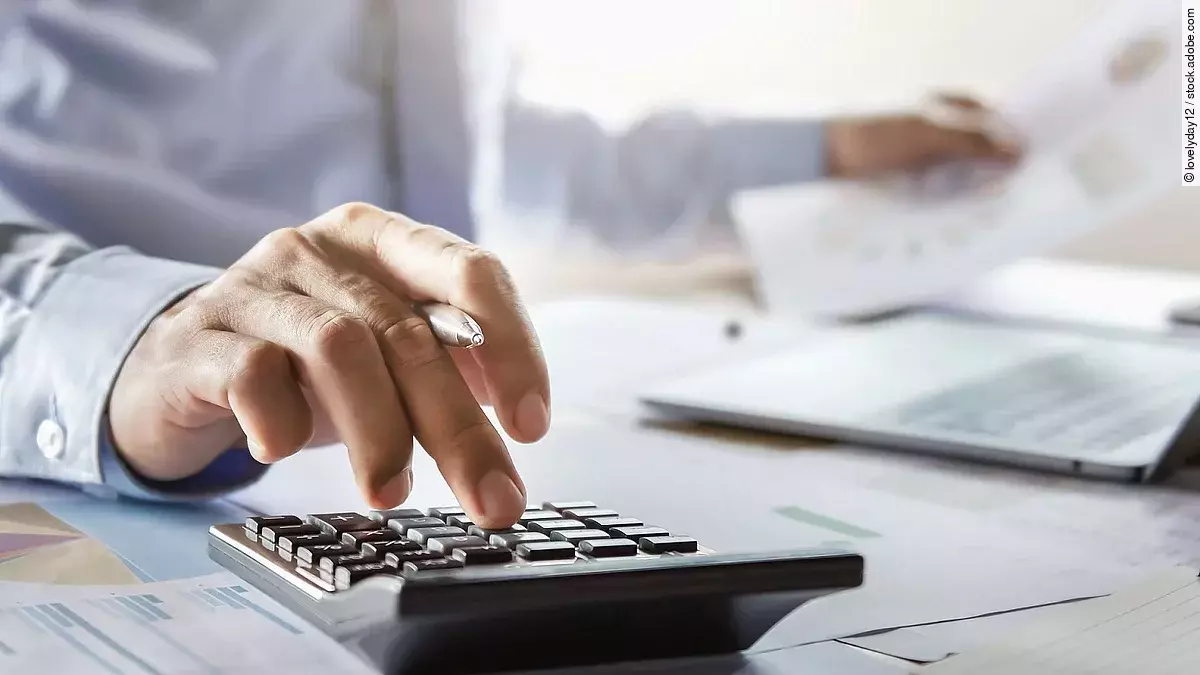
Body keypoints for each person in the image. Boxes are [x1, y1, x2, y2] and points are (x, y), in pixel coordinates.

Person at [0, 2, 1018, 528]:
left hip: (379, 477)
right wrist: (132, 342)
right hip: (78, 454)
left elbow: (465, 138)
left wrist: (821, 153)